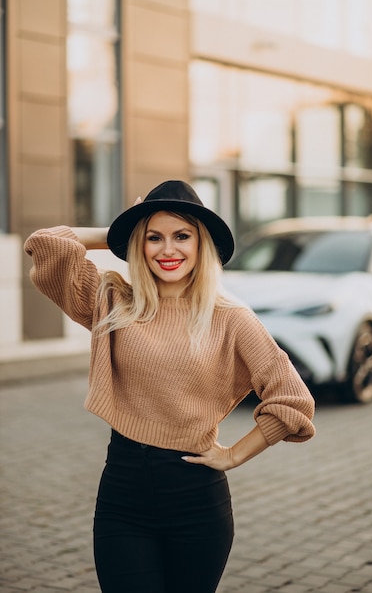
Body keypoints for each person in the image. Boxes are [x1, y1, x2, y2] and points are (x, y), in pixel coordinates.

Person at [24, 180, 316, 593]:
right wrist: (120, 230)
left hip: (196, 501)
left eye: (182, 236)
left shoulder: (231, 318)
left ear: (203, 245)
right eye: (153, 238)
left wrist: (234, 455)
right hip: (122, 494)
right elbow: (47, 244)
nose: (168, 250)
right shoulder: (112, 300)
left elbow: (293, 401)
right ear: (138, 246)